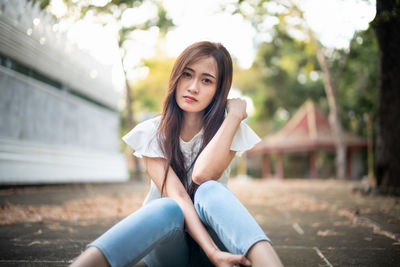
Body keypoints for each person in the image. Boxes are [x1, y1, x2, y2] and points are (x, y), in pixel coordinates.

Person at [70, 41, 283, 267]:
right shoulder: (152, 132)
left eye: (206, 80)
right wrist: (213, 253)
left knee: (210, 190)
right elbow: (179, 196)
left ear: (219, 90)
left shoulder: (229, 130)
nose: (193, 87)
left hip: (216, 246)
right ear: (176, 78)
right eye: (187, 75)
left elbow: (202, 175)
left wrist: (233, 117)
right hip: (170, 252)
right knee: (167, 205)